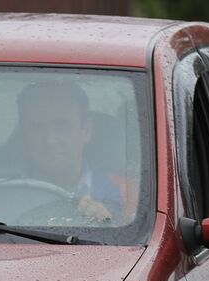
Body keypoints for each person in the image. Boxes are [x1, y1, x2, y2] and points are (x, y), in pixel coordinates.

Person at [16, 81, 128, 224]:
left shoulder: (127, 194)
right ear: (23, 135)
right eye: (37, 127)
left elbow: (142, 243)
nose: (51, 140)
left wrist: (108, 224)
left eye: (62, 125)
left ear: (86, 131)